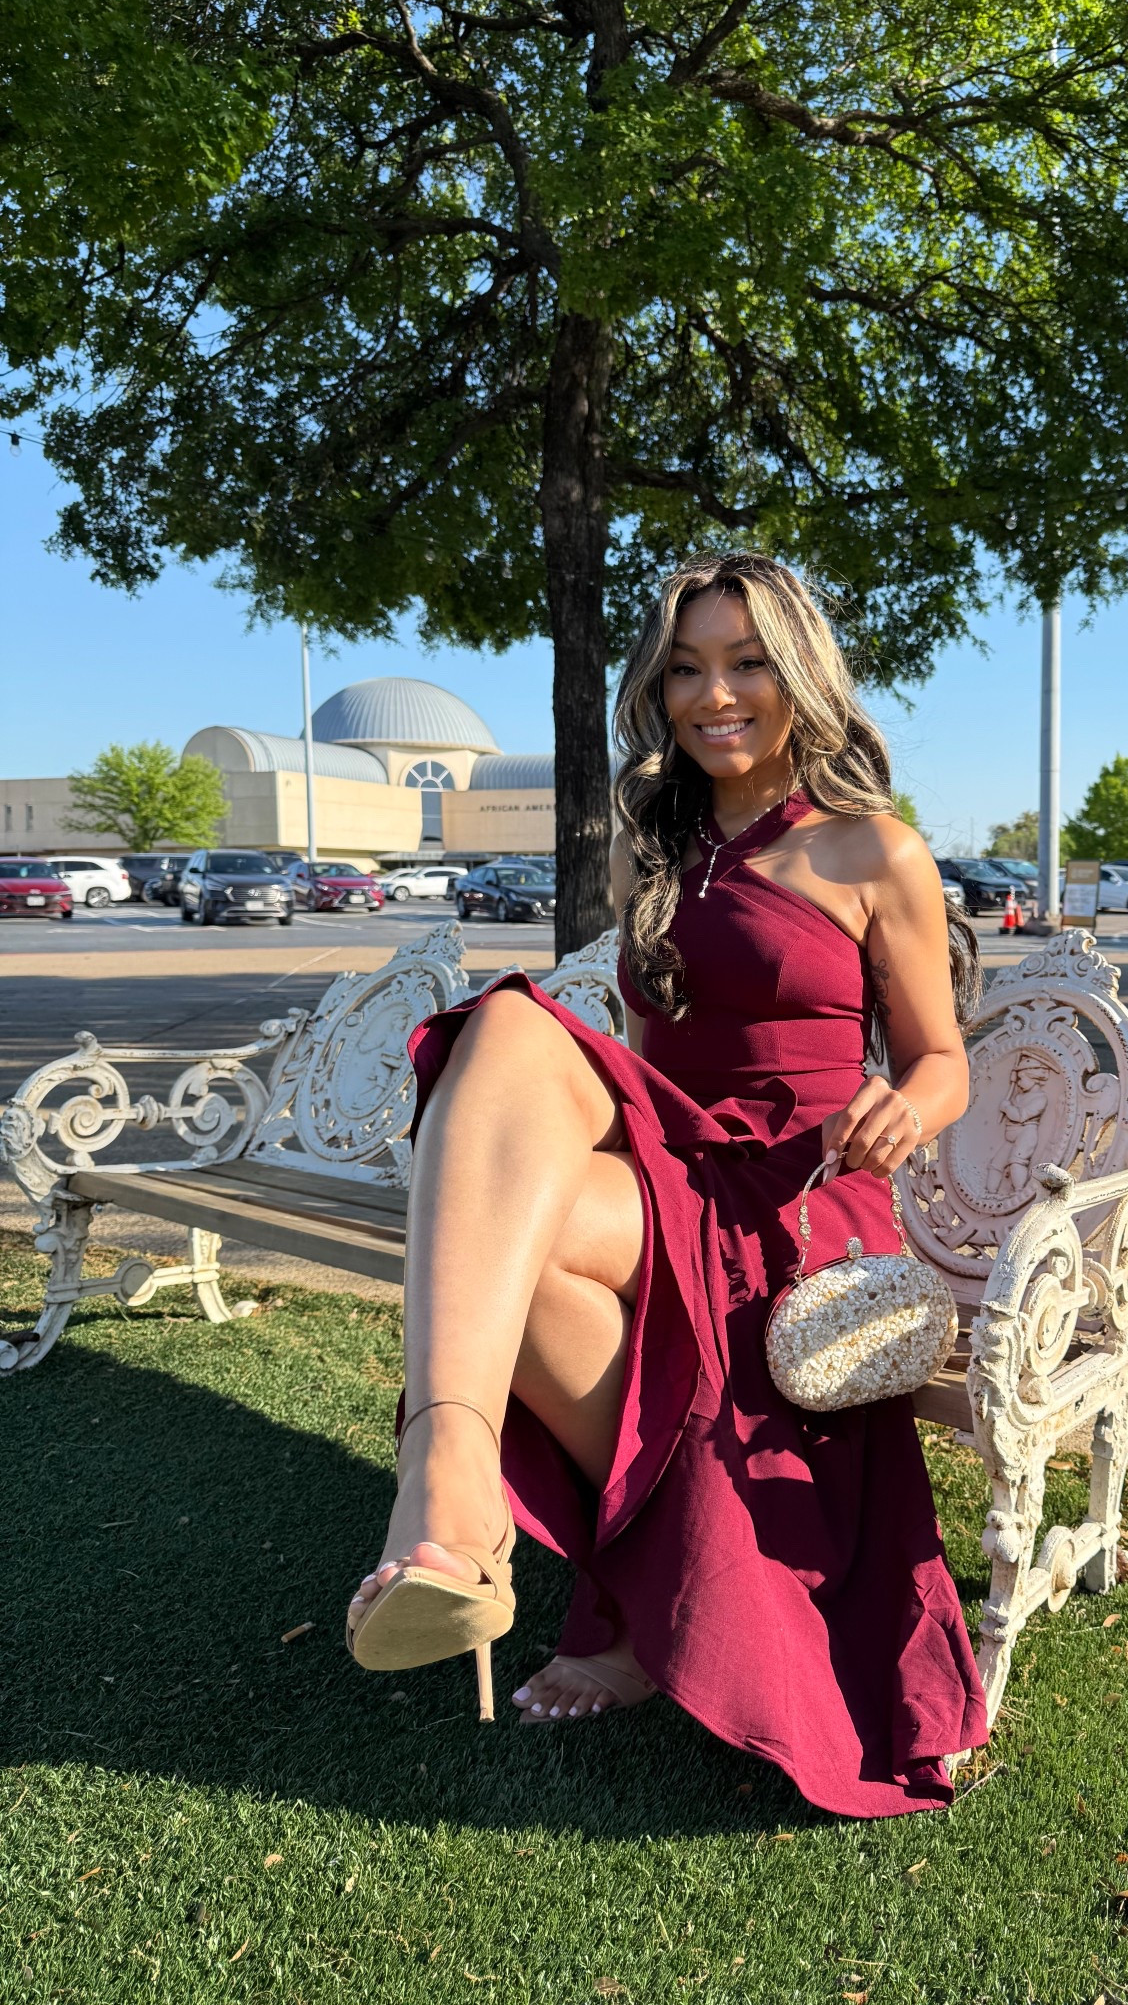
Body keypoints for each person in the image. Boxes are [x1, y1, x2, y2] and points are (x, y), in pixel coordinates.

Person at [344, 552, 990, 1816]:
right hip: (680, 1176)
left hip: (802, 1194)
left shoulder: (873, 849)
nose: (715, 694)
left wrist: (908, 1103)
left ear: (801, 676)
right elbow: (646, 1065)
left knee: (503, 1187)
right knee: (514, 1039)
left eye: (747, 662)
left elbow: (942, 1058)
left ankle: (493, 1517)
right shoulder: (669, 855)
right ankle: (458, 1478)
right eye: (687, 668)